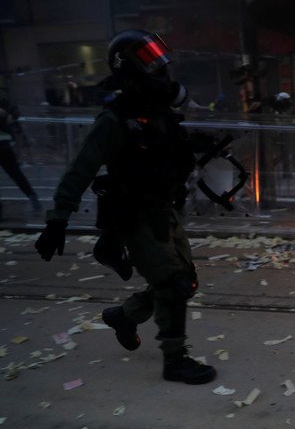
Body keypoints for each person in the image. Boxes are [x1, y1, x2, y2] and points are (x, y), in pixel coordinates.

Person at [34, 29, 216, 385]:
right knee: (173, 283)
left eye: (159, 60)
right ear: (130, 69)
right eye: (150, 62)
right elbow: (80, 169)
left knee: (187, 281)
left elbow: (168, 152)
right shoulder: (115, 120)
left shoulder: (159, 113)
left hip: (166, 211)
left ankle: (124, 316)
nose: (161, 70)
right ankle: (175, 359)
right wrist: (57, 220)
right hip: (136, 215)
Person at [0, 99, 41, 219]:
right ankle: (33, 198)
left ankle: (33, 197)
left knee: (15, 174)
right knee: (16, 174)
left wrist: (7, 114)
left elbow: (12, 111)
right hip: (4, 143)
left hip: (3, 144)